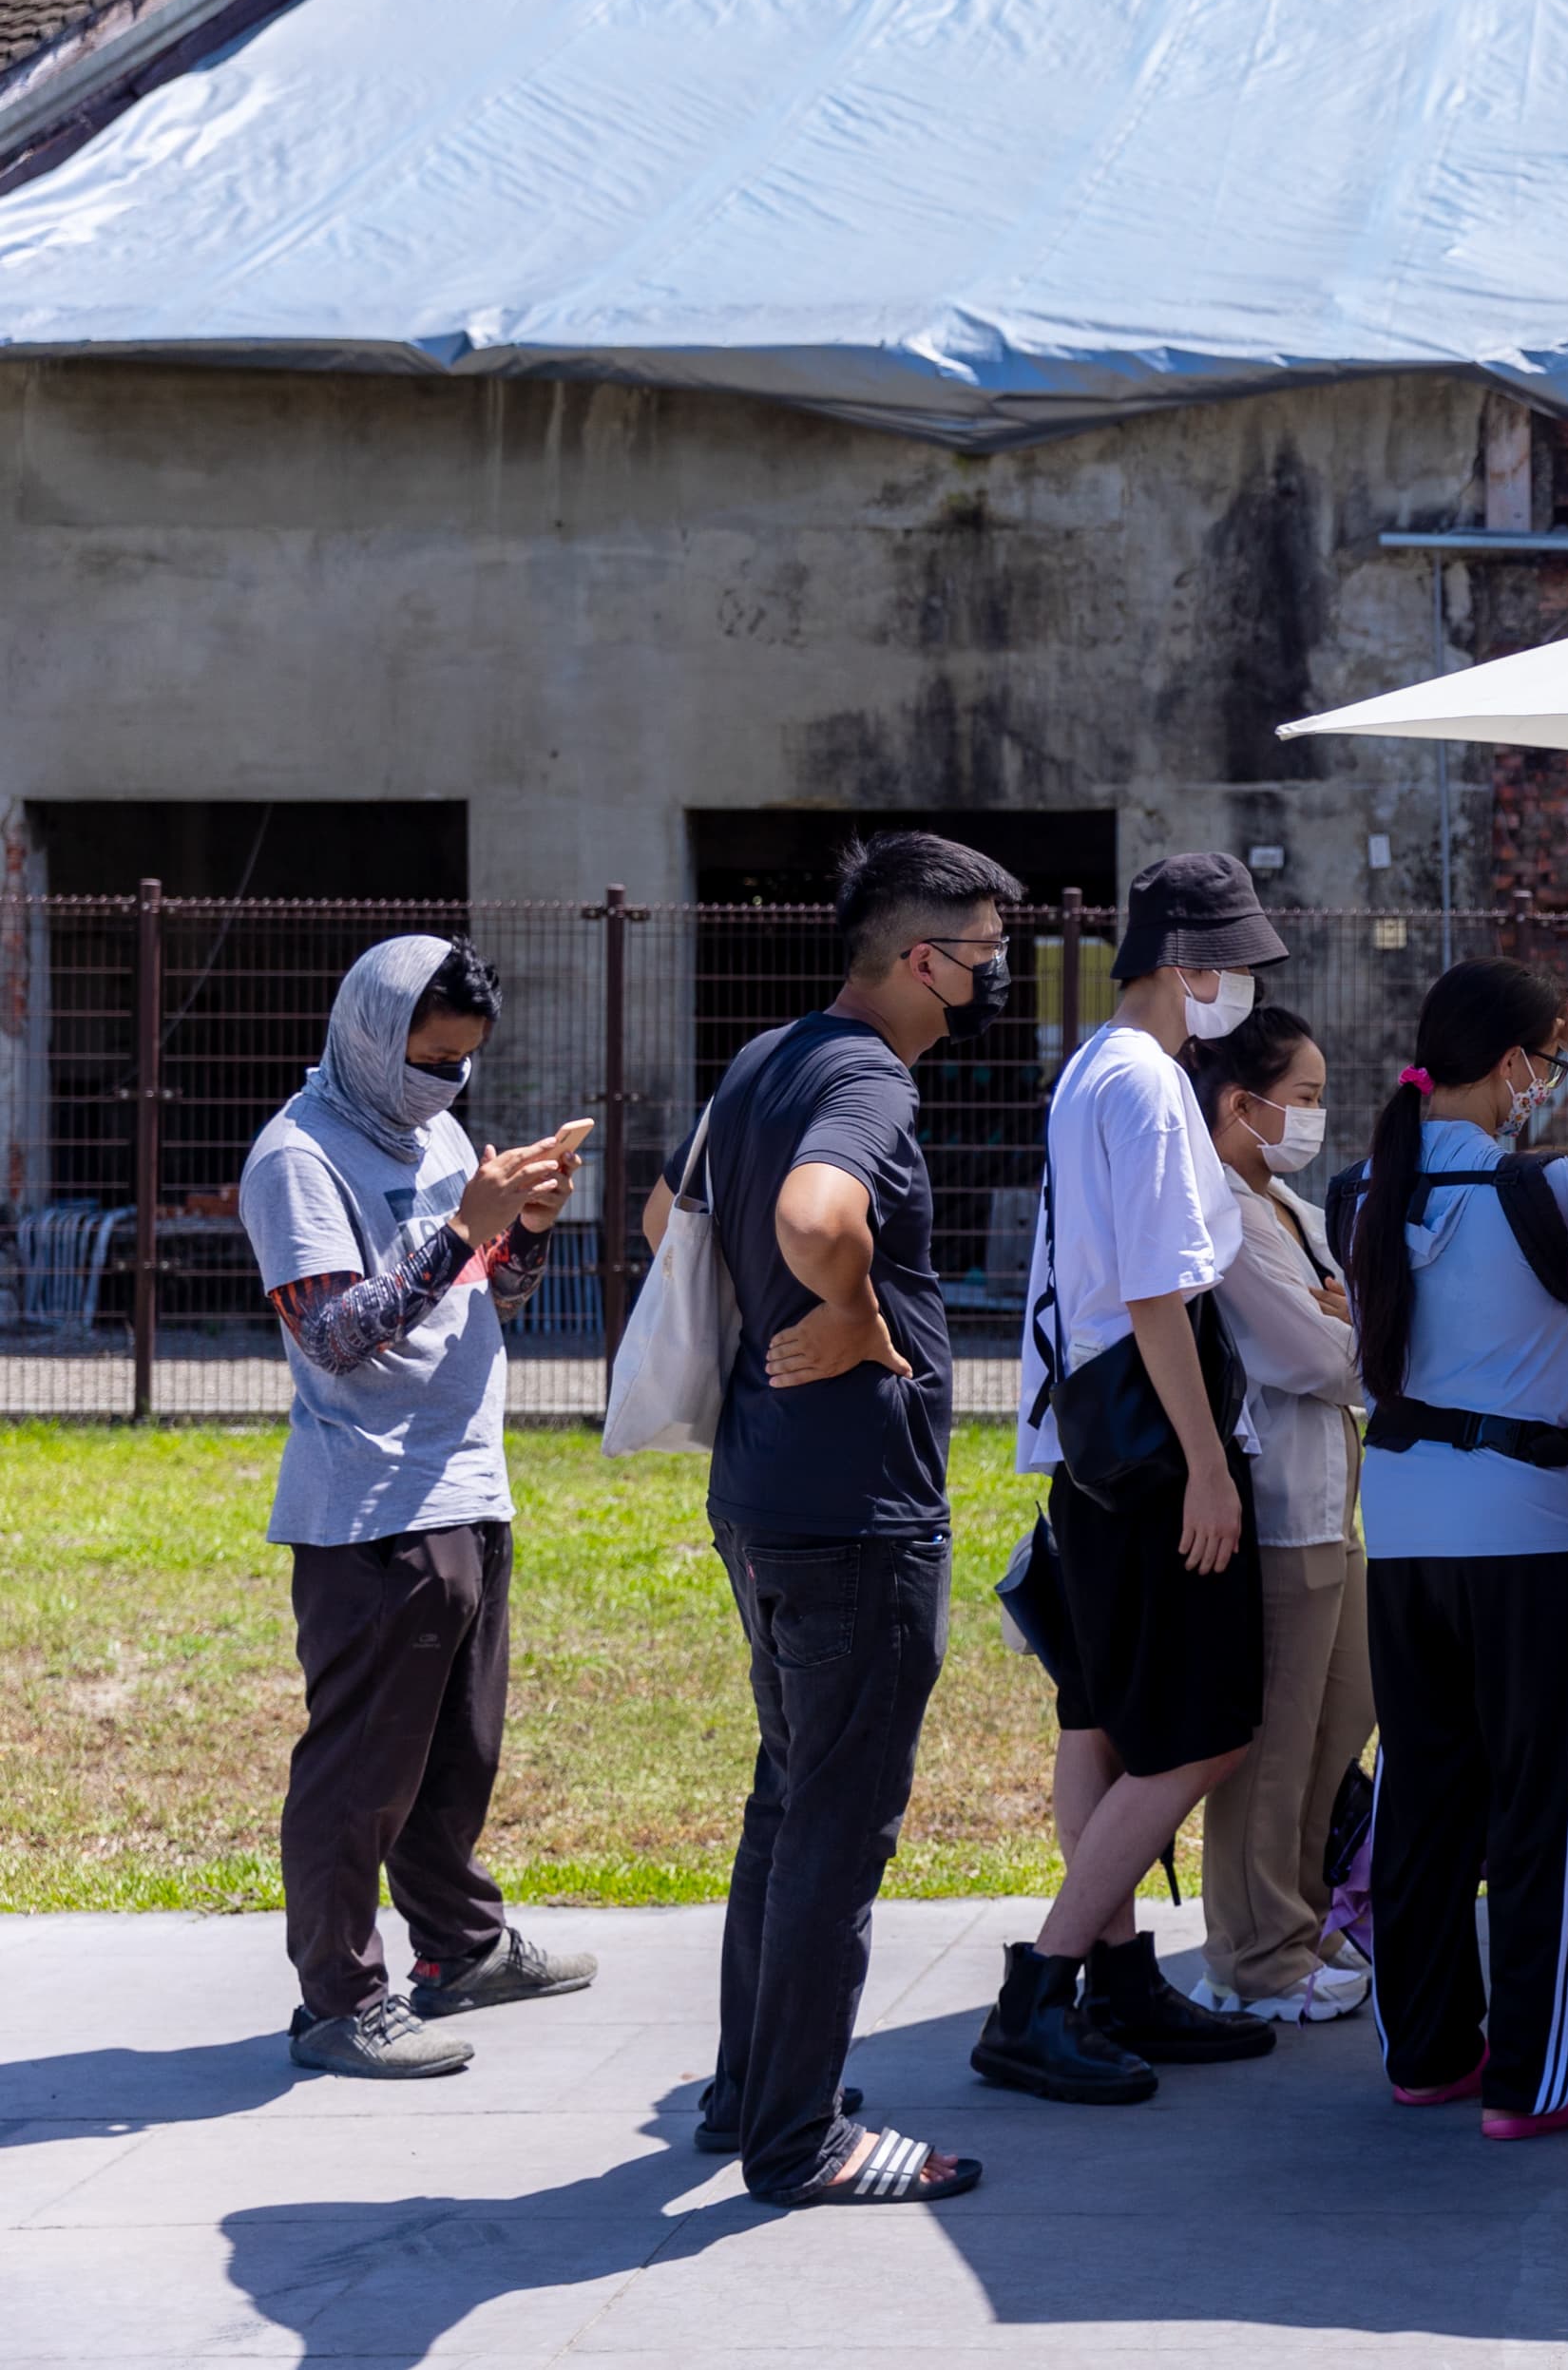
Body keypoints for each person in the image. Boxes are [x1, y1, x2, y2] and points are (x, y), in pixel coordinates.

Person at [643, 831, 1014, 2204]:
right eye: (980, 956)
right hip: (856, 1512)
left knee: (787, 1797)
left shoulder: (768, 1056)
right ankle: (799, 2136)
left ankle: (754, 2087)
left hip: (766, 1493)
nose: (990, 979)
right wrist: (853, 1312)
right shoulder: (864, 1076)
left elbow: (659, 1218)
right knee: (836, 1826)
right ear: (922, 958)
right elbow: (812, 1215)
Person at [244, 937, 595, 2081]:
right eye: (428, 1058)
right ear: (368, 1033)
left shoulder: (434, 1133)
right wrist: (458, 1229)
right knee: (363, 1769)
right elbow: (339, 1338)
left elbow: (494, 1294)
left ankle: (462, 1947)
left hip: (468, 1480)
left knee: (459, 1753)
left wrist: (526, 1223)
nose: (443, 1085)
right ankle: (339, 2002)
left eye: (461, 1064)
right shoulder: (297, 1158)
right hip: (372, 1509)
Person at [982, 852, 1293, 2099]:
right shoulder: (1153, 1085)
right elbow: (1160, 1289)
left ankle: (1111, 1977)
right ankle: (1047, 1984)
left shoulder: (1089, 1068)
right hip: (1157, 1446)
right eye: (1231, 961)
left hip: (1089, 1445)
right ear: (1185, 960)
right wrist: (1211, 1468)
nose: (1239, 986)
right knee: (1205, 1730)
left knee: (1099, 1717)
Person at [1329, 958, 1568, 2137]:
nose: (1550, 1088)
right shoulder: (1552, 1189)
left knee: (1425, 1801)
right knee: (1542, 1815)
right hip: (1535, 1532)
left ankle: (1427, 2055)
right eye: (1550, 1066)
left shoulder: (1362, 1192)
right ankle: (1537, 2080)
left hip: (1403, 1530)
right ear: (1516, 1067)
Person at [1187, 1006, 1379, 2025]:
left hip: (1330, 1505)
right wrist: (1365, 1339)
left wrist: (1360, 1334)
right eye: (1301, 1098)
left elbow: (1355, 1328)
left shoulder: (1288, 1205)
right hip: (1274, 1512)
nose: (1313, 1116)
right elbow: (1310, 1355)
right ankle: (1254, 1954)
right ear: (1240, 1102)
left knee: (1336, 1719)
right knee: (1273, 1743)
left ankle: (1298, 1916)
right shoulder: (1220, 1209)